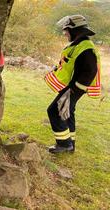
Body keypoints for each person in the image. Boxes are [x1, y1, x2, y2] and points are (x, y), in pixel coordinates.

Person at [45, 14, 101, 154]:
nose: (65, 33)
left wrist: (76, 88)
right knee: (66, 112)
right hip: (73, 86)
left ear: (75, 30)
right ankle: (71, 144)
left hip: (75, 88)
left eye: (67, 30)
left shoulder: (86, 48)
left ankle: (64, 144)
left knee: (55, 110)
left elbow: (91, 70)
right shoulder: (80, 44)